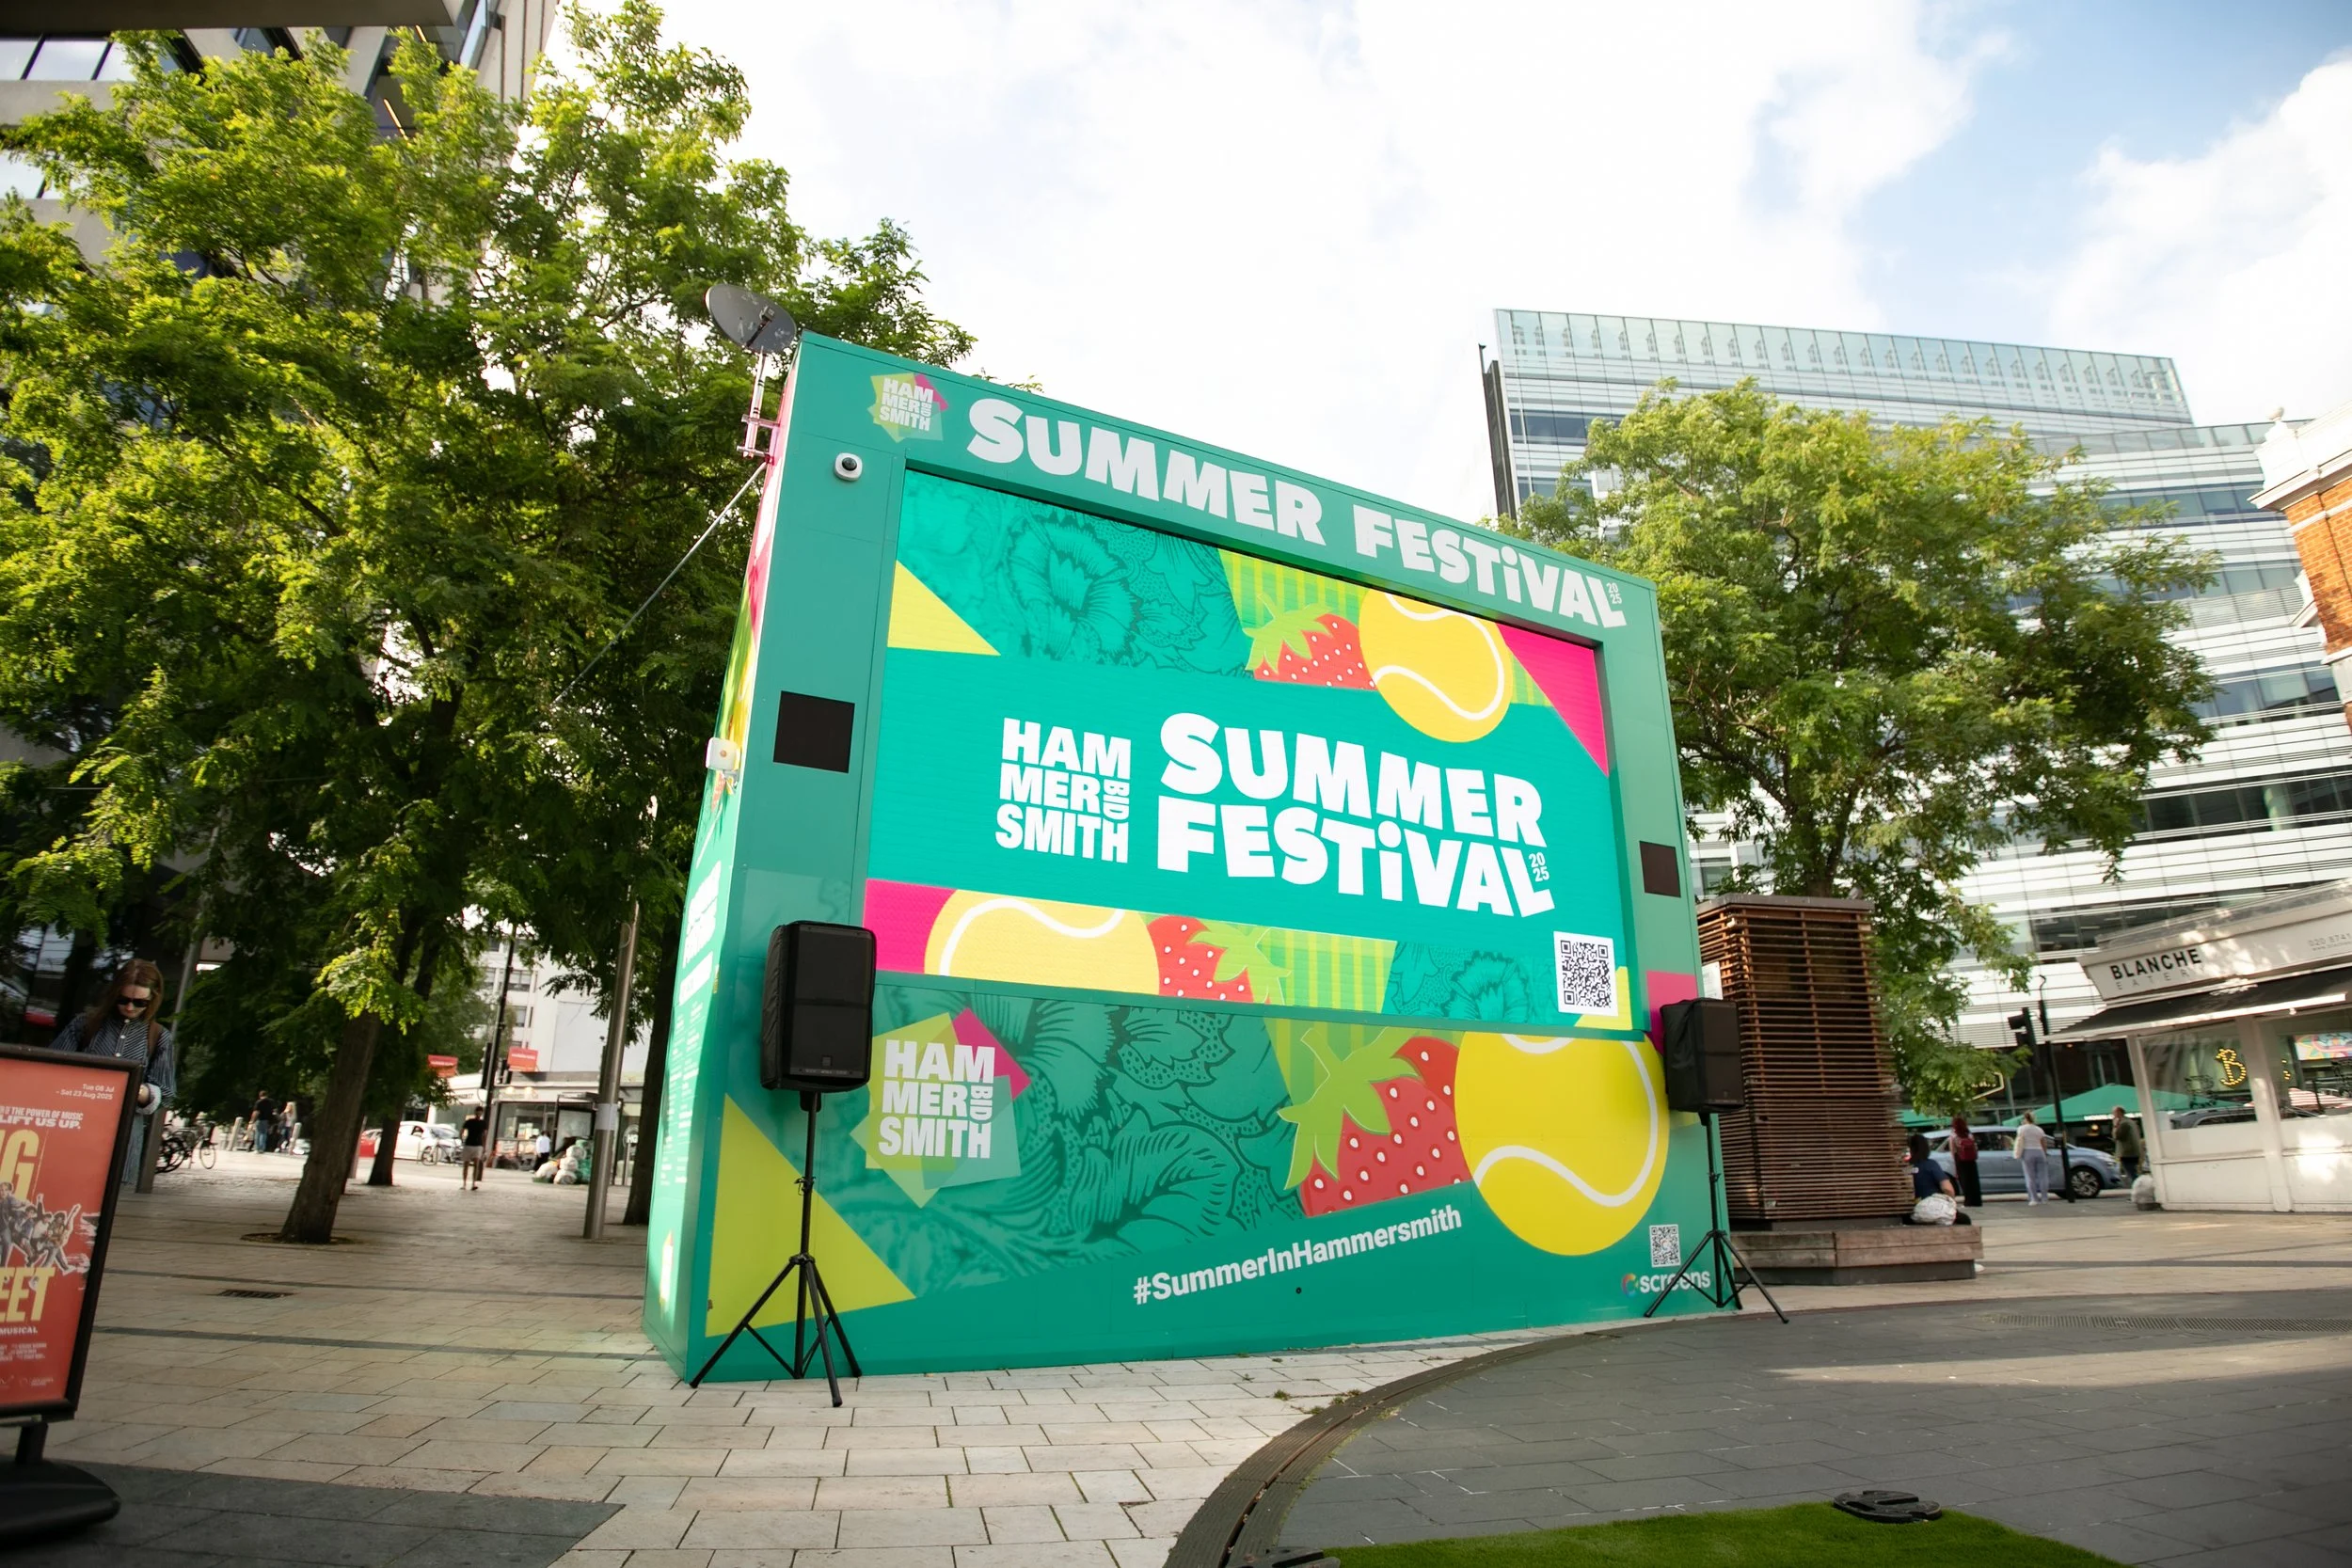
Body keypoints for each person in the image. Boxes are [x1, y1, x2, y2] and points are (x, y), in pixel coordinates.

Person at [52, 960, 176, 1178]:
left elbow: (166, 1092)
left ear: (152, 1000)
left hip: (122, 1137)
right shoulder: (85, 1024)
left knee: (108, 1205)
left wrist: (142, 1092)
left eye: (139, 1003)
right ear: (114, 993)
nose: (130, 1007)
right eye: (123, 999)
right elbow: (51, 1070)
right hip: (75, 1128)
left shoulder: (158, 1036)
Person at [1904, 1132, 1973, 1226]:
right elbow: (1947, 1189)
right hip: (1931, 1206)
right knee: (1965, 1220)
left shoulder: (1904, 1166)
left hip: (1910, 1212)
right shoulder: (1931, 1165)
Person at [2015, 1110, 2052, 1204]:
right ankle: (2044, 1198)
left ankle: (2034, 1198)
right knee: (2043, 1176)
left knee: (2030, 1176)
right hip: (2039, 1151)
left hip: (2028, 1152)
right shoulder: (2039, 1129)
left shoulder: (2021, 1129)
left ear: (2024, 1119)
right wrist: (2045, 1153)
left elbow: (2019, 1141)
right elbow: (2043, 1143)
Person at [1949, 1115, 1982, 1209]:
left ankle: (1968, 1201)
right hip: (1971, 1160)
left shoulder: (1953, 1135)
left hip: (1961, 1160)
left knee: (1965, 1181)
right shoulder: (1969, 1134)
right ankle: (1977, 1201)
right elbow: (1975, 1147)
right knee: (1974, 1181)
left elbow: (1953, 1150)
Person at [458, 1110, 488, 1189]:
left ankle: (473, 1184)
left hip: (478, 1145)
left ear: (482, 1113)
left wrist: (484, 1147)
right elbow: (462, 1130)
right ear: (475, 1113)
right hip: (469, 1144)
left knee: (476, 1164)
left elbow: (484, 1135)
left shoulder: (483, 1123)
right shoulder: (469, 1121)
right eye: (478, 1112)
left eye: (480, 1112)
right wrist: (461, 1139)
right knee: (466, 1165)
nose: (479, 1114)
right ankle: (464, 1184)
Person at [2111, 1106, 2144, 1180]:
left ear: (2119, 1112)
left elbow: (2116, 1136)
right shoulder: (2131, 1122)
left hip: (2127, 1153)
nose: (2113, 1114)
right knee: (2133, 1171)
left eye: (2114, 1112)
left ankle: (2137, 1187)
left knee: (2131, 1173)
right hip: (2134, 1151)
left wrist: (2115, 1126)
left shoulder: (2123, 1124)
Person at [250, 1090, 279, 1154]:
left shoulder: (259, 1102)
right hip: (268, 1120)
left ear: (260, 1095)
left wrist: (252, 1121)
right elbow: (275, 1111)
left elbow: (256, 1112)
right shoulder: (271, 1102)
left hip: (260, 1119)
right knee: (264, 1134)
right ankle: (262, 1148)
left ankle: (257, 1148)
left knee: (258, 1134)